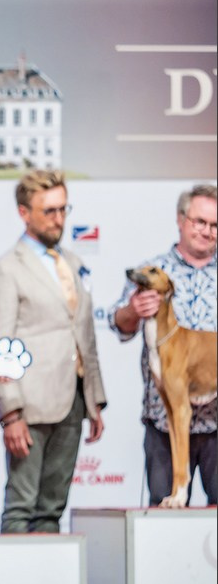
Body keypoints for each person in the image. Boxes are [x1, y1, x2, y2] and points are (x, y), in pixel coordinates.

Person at [0, 170, 107, 534]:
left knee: (53, 508)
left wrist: (94, 400)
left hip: (73, 398)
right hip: (31, 405)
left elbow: (84, 333)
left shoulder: (71, 262)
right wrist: (10, 413)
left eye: (63, 209)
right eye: (49, 211)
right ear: (25, 213)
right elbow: (1, 344)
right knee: (22, 506)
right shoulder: (7, 269)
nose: (59, 218)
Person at [108, 183, 217, 505]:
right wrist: (132, 310)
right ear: (181, 220)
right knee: (161, 517)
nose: (207, 231)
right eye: (200, 221)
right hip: (162, 421)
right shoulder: (152, 271)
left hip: (216, 426)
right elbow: (120, 325)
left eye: (214, 225)